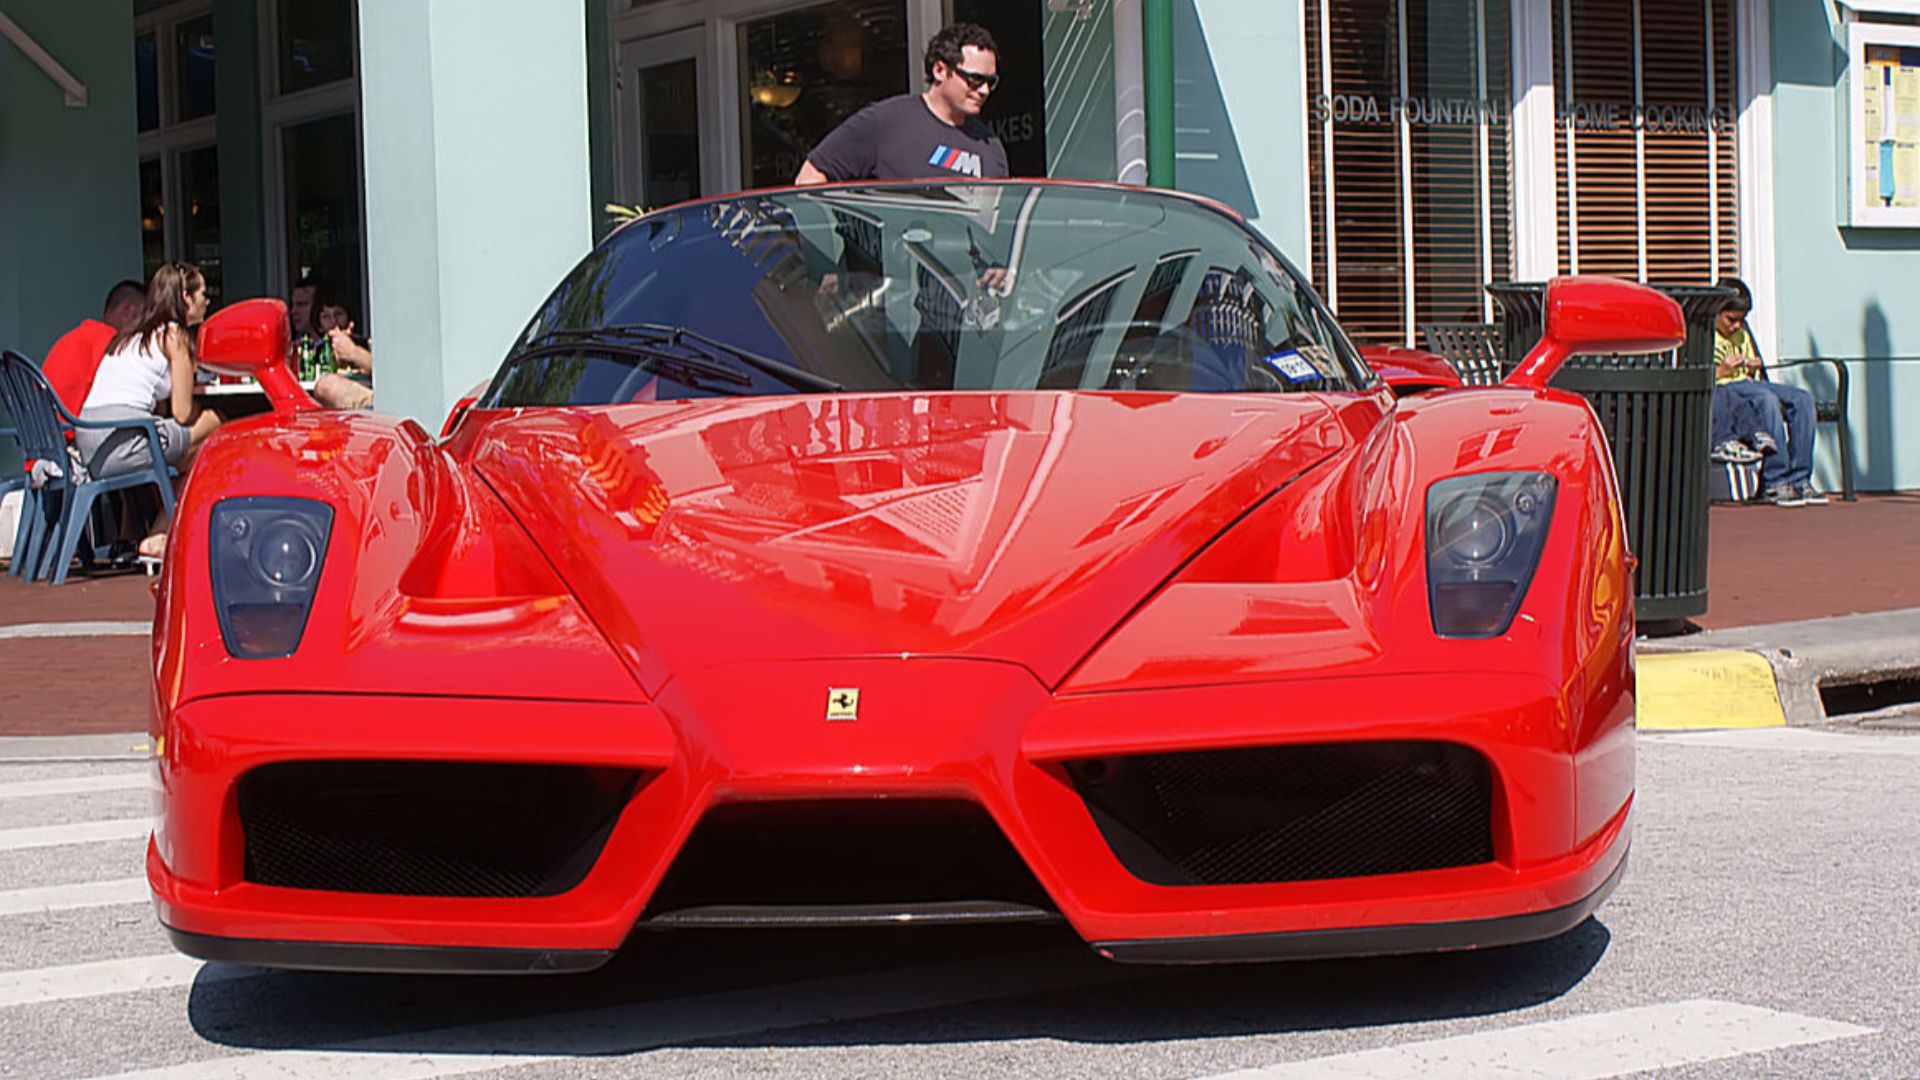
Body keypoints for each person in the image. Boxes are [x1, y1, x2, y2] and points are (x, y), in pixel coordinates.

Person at [76, 262, 223, 558]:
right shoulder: (174, 335)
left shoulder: (130, 335)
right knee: (218, 423)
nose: (207, 301)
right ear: (185, 297)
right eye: (202, 294)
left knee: (189, 458)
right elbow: (182, 413)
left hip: (91, 442)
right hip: (125, 440)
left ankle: (160, 533)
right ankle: (161, 532)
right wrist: (200, 407)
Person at [794, 23, 1010, 184]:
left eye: (990, 82)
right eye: (975, 79)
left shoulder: (990, 147)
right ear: (940, 70)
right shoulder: (886, 122)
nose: (984, 90)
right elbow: (810, 177)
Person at [1711, 277, 1824, 507]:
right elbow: (1699, 376)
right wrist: (1722, 370)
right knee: (1767, 400)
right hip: (1725, 388)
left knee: (1802, 399)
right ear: (1716, 312)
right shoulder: (1705, 334)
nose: (1736, 326)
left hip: (1748, 383)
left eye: (1742, 320)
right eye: (1731, 320)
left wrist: (1754, 364)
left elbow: (1752, 368)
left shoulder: (1742, 333)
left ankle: (1799, 479)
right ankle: (1775, 480)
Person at [41, 280, 147, 417]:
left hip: (42, 426)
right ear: (126, 310)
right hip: (75, 427)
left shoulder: (76, 337)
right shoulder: (112, 345)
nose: (145, 328)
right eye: (144, 318)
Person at [312, 293, 374, 410]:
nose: (333, 321)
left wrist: (352, 352)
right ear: (319, 325)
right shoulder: (315, 350)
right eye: (326, 317)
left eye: (339, 314)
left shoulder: (365, 344)